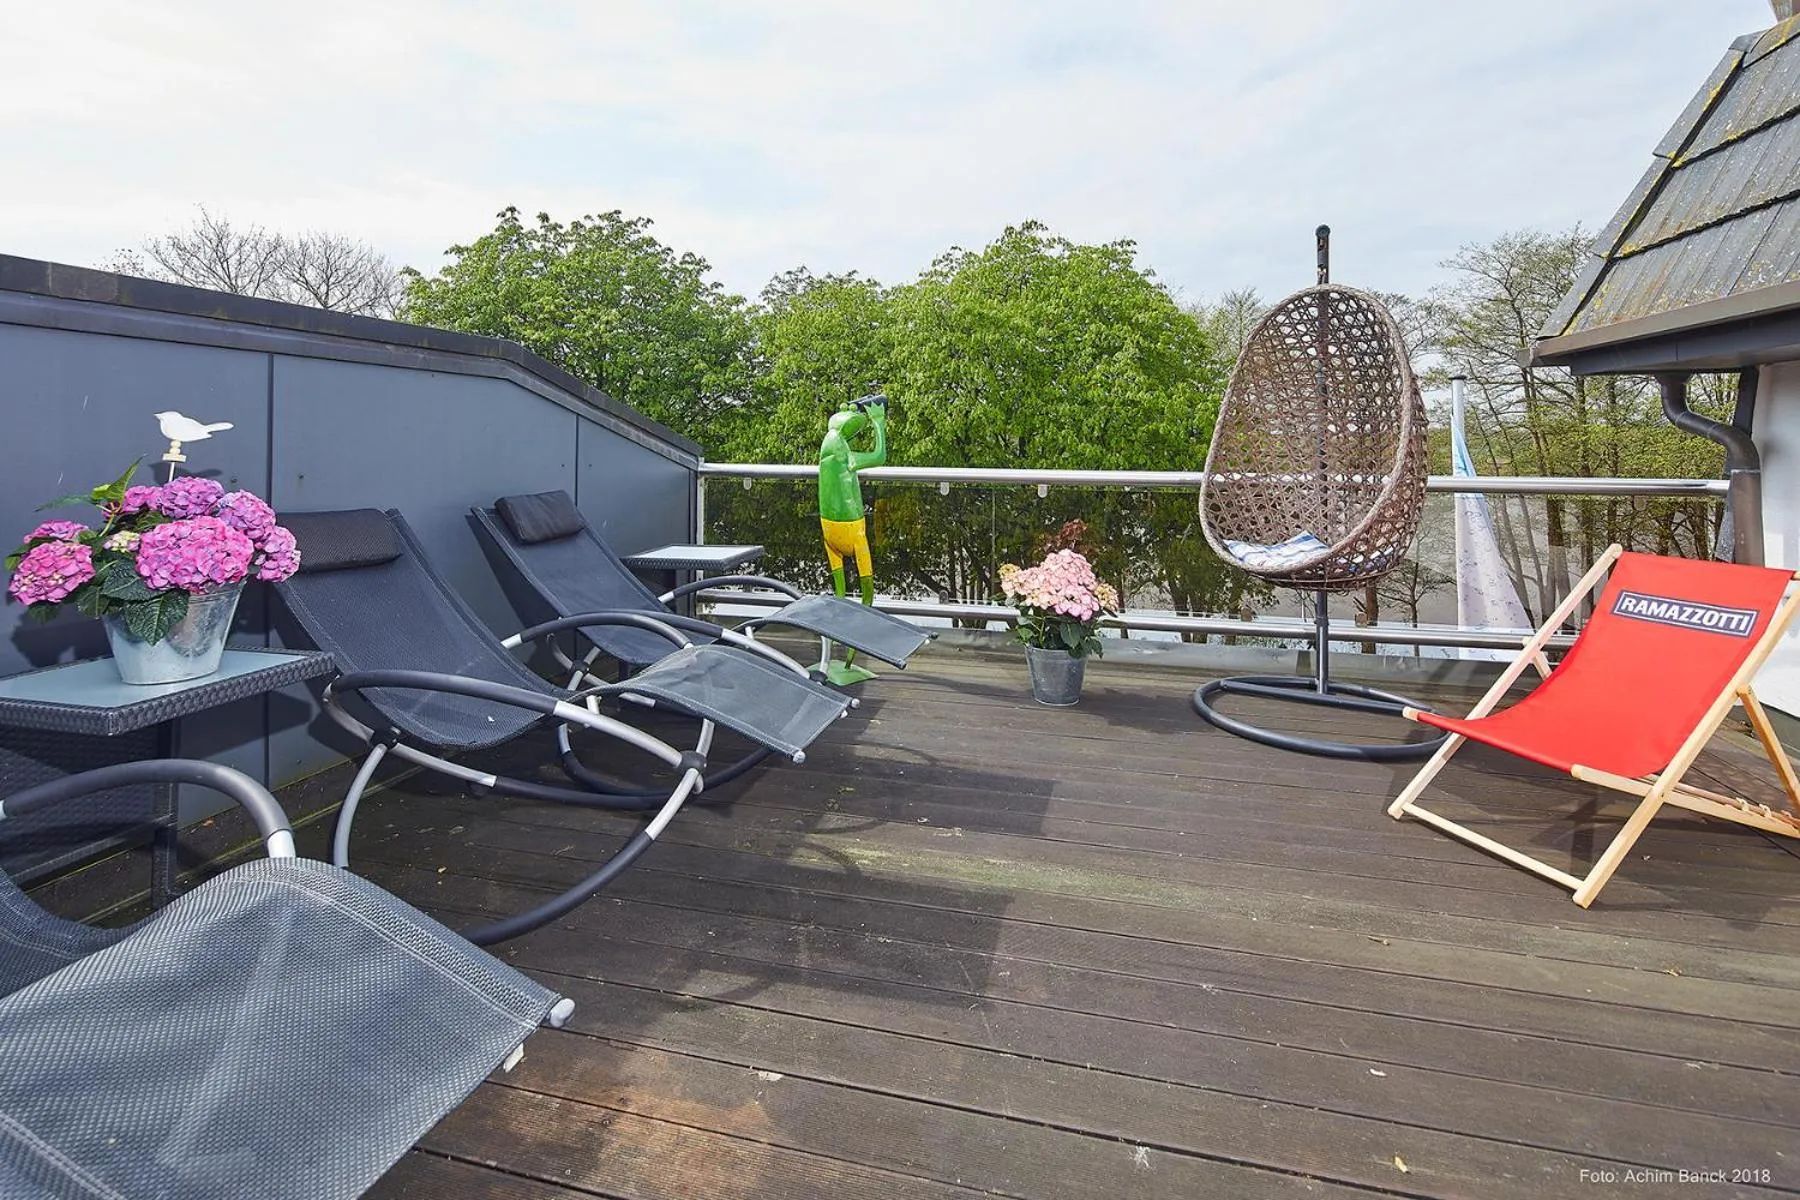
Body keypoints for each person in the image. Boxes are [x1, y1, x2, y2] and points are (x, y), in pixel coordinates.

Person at [816, 394, 887, 683]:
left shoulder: (826, 455)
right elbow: (879, 456)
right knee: (867, 596)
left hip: (829, 531)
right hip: (853, 532)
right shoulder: (846, 457)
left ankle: (832, 657)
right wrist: (878, 422)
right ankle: (848, 658)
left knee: (841, 595)